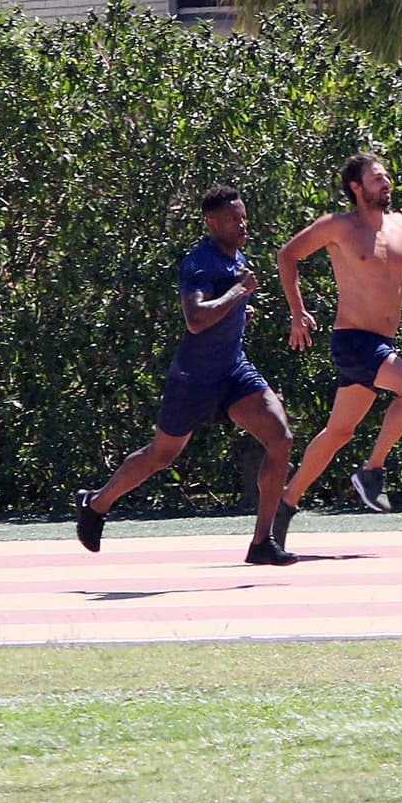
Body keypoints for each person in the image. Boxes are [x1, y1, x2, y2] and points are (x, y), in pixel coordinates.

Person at [73, 185, 297, 566]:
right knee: (162, 455)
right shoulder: (199, 263)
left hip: (233, 370)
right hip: (193, 378)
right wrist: (237, 295)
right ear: (211, 223)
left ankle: (262, 543)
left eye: (243, 216)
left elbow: (221, 309)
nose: (242, 224)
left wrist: (239, 312)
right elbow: (195, 320)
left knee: (280, 438)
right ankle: (96, 502)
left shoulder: (236, 257)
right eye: (232, 219)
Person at [272, 152, 402, 542]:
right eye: (377, 177)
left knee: (339, 432)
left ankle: (284, 505)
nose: (386, 183)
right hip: (353, 340)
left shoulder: (400, 225)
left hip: (381, 343)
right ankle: (372, 470)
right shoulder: (338, 226)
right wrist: (297, 313)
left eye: (387, 176)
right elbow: (287, 255)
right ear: (356, 187)